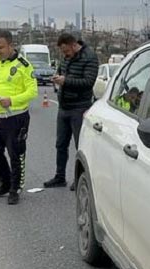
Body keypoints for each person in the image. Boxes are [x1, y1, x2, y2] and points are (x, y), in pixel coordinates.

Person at [0, 30, 38, 205]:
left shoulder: (23, 65)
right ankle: (4, 182)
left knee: (16, 154)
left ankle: (15, 188)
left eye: (1, 47)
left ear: (11, 45)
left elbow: (32, 91)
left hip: (15, 117)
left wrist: (12, 100)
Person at [44, 33, 98, 191]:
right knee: (60, 144)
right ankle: (59, 176)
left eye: (66, 51)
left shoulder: (90, 57)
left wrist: (65, 81)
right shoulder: (66, 57)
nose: (65, 55)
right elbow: (62, 71)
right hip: (64, 106)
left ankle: (80, 178)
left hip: (79, 107)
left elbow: (88, 82)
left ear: (74, 45)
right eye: (63, 52)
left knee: (80, 146)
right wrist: (57, 77)